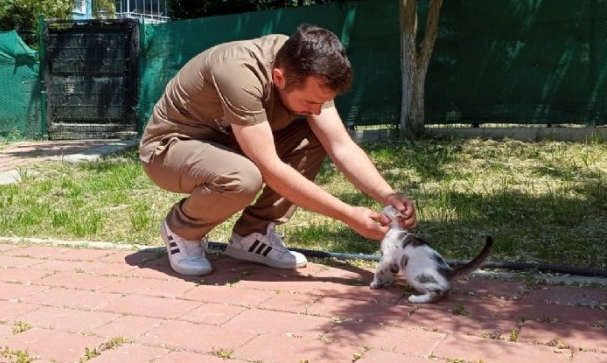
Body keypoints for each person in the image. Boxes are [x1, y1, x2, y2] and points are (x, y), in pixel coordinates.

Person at [139, 24, 416, 276]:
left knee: (315, 136)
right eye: (310, 102)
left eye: (323, 102)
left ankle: (252, 235)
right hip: (168, 149)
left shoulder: (305, 65)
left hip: (228, 143)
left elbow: (340, 145)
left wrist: (388, 195)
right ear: (279, 78)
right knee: (244, 177)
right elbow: (270, 168)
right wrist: (348, 215)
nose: (317, 110)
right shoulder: (239, 72)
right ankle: (181, 229)